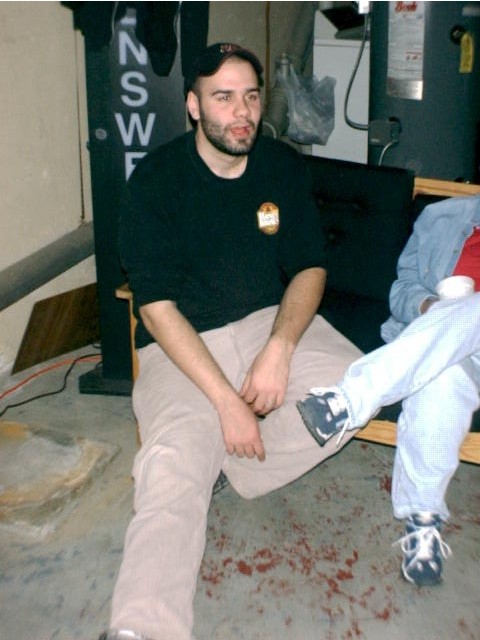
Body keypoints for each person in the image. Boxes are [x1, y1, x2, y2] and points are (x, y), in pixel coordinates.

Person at [99, 43, 362, 640]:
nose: (242, 112)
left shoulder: (282, 166)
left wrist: (280, 347)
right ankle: (142, 626)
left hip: (266, 321)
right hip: (184, 343)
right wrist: (226, 402)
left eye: (250, 96)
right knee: (172, 465)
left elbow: (310, 267)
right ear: (193, 106)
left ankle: (238, 468)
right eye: (223, 98)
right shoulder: (155, 181)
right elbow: (156, 309)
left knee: (357, 390)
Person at [297, 193, 480, 587]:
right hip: (439, 348)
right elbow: (401, 291)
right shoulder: (440, 217)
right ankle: (423, 523)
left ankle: (348, 400)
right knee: (442, 378)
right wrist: (430, 307)